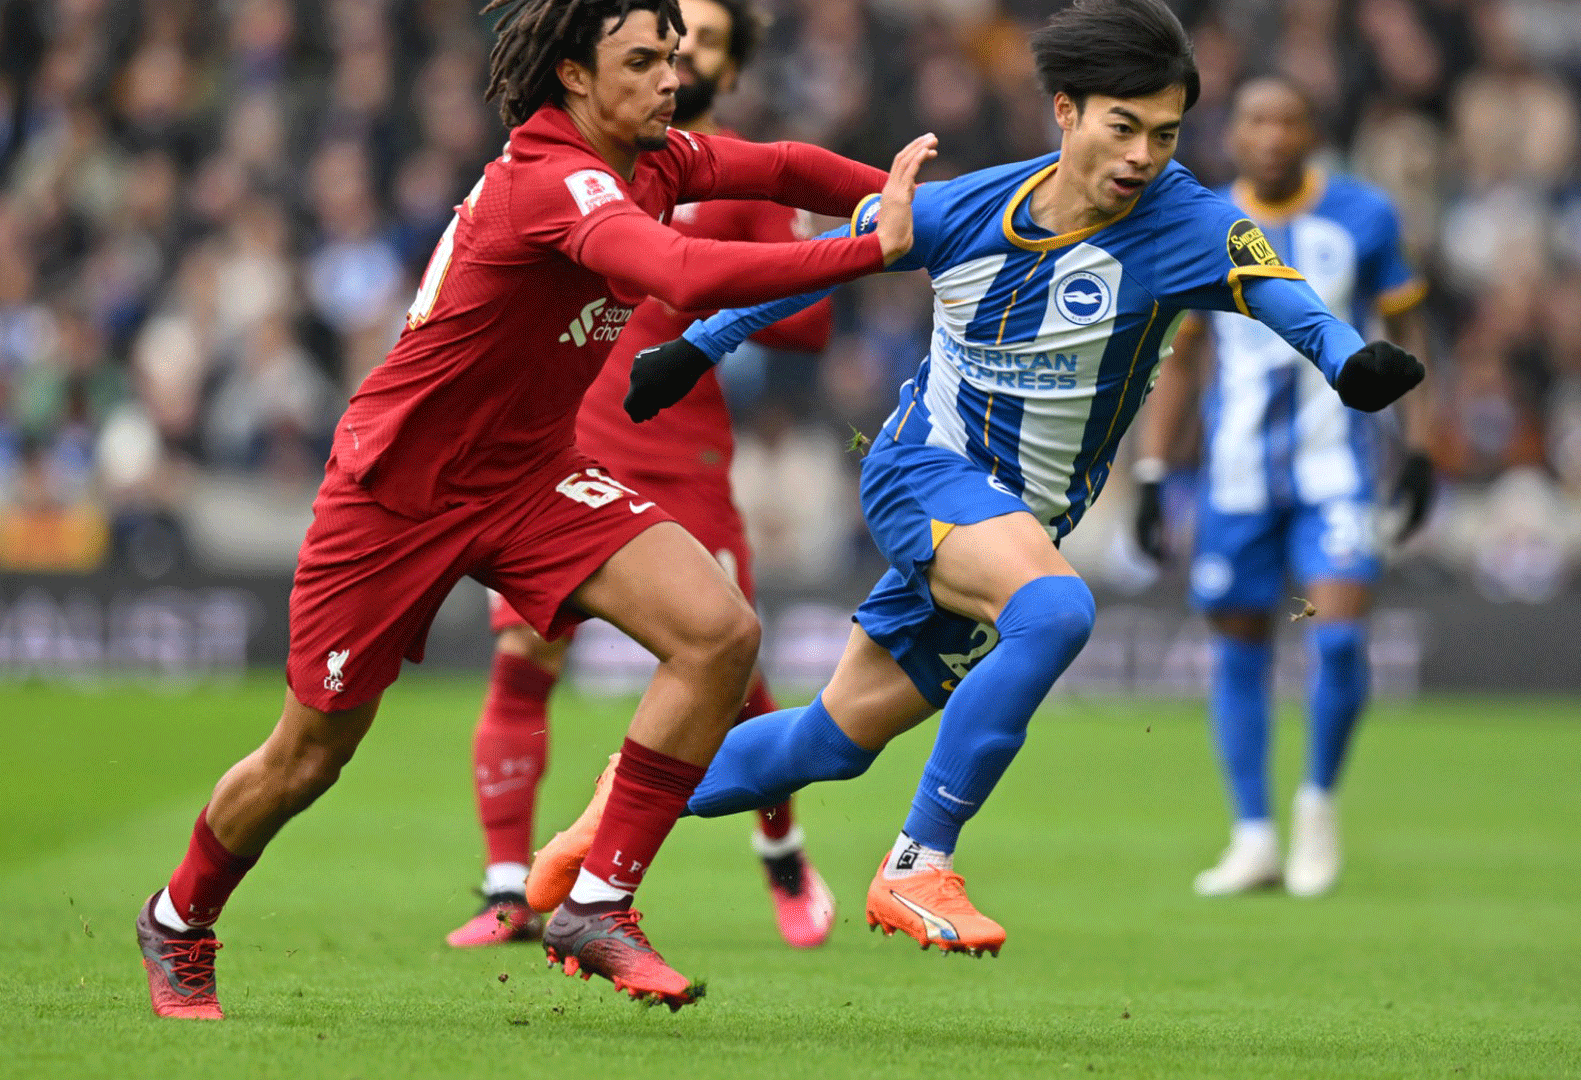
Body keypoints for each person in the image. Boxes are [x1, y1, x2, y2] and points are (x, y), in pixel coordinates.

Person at [526, 0, 1424, 958]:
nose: (1142, 157)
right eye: (1123, 127)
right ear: (1066, 111)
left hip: (1017, 520)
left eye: (1164, 135)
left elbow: (1281, 290)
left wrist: (1346, 361)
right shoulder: (964, 208)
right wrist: (698, 350)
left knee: (828, 741)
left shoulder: (1193, 225)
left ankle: (607, 816)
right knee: (1058, 612)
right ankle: (918, 864)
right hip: (924, 472)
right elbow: (823, 262)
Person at [134, 0, 937, 1019]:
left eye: (671, 59)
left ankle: (599, 903)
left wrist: (923, 204)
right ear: (571, 75)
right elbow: (683, 271)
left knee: (719, 632)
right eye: (642, 62)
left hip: (526, 477)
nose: (669, 80)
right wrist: (872, 251)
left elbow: (779, 167)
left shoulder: (653, 153)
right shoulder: (552, 180)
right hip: (398, 494)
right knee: (309, 755)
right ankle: (177, 919)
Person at [447, 0, 839, 955]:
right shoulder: (575, 166)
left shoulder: (724, 172)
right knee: (524, 658)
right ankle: (509, 889)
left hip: (683, 449)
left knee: (729, 655)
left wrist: (741, 272)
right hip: (569, 440)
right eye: (670, 41)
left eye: (701, 43)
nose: (683, 58)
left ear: (727, 69)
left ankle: (780, 851)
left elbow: (807, 322)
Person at [1131, 77, 1433, 899]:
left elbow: (1406, 330)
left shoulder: (1363, 217)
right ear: (1233, 134)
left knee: (1337, 638)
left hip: (1337, 469)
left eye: (1287, 120)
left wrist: (1421, 445)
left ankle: (1318, 806)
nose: (1270, 135)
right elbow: (1183, 354)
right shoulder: (1200, 220)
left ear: (1311, 133)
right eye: (1256, 120)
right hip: (1234, 477)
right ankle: (1253, 834)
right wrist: (1155, 473)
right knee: (1238, 649)